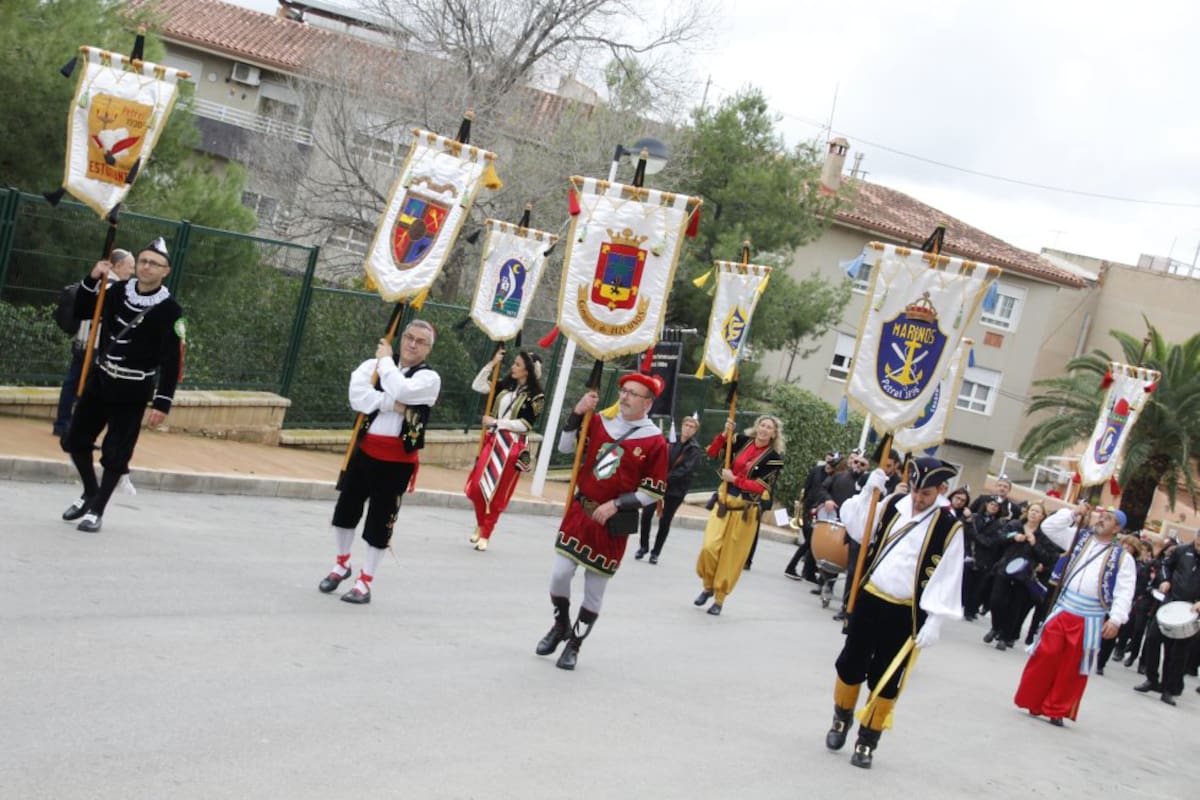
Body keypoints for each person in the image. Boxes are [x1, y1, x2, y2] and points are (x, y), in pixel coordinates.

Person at [823, 457, 963, 770]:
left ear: (941, 490)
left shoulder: (949, 527)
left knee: (886, 677)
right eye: (915, 490)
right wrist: (867, 493)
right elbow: (859, 530)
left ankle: (868, 739)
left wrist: (936, 620)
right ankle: (841, 718)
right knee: (850, 663)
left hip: (906, 611)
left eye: (926, 493)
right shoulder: (892, 504)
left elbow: (948, 576)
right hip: (871, 597)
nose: (918, 498)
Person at [534, 373, 668, 671]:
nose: (624, 397)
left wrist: (616, 504)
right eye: (624, 391)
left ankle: (575, 644)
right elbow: (566, 447)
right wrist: (577, 413)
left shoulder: (655, 441)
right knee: (559, 575)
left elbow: (653, 491)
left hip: (611, 524)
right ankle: (560, 625)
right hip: (581, 511)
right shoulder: (600, 421)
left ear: (647, 403)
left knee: (594, 590)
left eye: (633, 393)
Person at [60, 239, 184, 533]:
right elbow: (83, 309)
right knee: (74, 440)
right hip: (101, 380)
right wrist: (93, 279)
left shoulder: (171, 310)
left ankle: (97, 510)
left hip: (133, 389)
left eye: (154, 263)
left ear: (165, 271)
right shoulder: (117, 291)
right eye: (143, 261)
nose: (146, 267)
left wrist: (162, 402)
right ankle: (90, 491)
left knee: (116, 453)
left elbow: (172, 361)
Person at [317, 321, 440, 604]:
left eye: (420, 341)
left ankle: (365, 582)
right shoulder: (373, 366)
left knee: (380, 522)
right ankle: (341, 564)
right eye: (408, 337)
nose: (412, 344)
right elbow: (357, 397)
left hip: (397, 460)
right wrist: (391, 403)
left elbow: (404, 391)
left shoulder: (429, 378)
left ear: (428, 349)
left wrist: (385, 366)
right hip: (365, 450)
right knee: (345, 511)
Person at [1013, 505, 1134, 726]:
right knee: (1045, 655)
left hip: (1091, 617)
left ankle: (1057, 710)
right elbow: (1049, 527)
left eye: (1107, 519)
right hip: (1064, 607)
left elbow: (1125, 592)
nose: (1100, 520)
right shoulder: (1079, 537)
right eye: (1101, 516)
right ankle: (1033, 701)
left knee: (1072, 667)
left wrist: (1116, 619)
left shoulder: (1123, 558)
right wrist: (1072, 514)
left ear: (1117, 529)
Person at [693, 415, 785, 615]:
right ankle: (708, 586)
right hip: (723, 505)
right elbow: (712, 452)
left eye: (769, 427)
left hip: (744, 512)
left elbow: (760, 487)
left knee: (731, 557)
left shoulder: (774, 460)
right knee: (709, 547)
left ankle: (719, 598)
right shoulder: (740, 441)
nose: (764, 429)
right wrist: (724, 434)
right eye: (762, 425)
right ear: (756, 426)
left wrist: (734, 479)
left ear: (774, 434)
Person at [463, 348, 544, 551]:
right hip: (493, 442)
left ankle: (486, 534)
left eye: (517, 364)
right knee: (477, 487)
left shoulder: (536, 396)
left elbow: (526, 424)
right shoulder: (506, 385)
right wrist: (492, 364)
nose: (513, 367)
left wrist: (497, 422)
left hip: (513, 446)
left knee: (499, 492)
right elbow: (478, 385)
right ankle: (481, 523)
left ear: (527, 370)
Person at [54, 248, 135, 437]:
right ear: (118, 265)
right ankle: (74, 428)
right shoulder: (111, 287)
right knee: (89, 389)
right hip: (96, 345)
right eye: (130, 267)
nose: (132, 272)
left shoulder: (98, 281)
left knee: (73, 382)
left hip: (83, 340)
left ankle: (63, 423)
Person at [1133, 531, 1200, 704]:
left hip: (1191, 610)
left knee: (1178, 652)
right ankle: (1151, 678)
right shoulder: (1182, 550)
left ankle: (1168, 689)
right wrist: (1165, 580)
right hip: (1170, 603)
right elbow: (1165, 565)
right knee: (1153, 638)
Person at [635, 413, 703, 564]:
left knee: (665, 520)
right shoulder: (669, 439)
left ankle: (655, 553)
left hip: (675, 490)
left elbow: (685, 470)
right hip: (657, 485)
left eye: (692, 427)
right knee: (646, 514)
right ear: (682, 426)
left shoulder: (694, 449)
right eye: (686, 425)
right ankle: (643, 547)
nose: (688, 428)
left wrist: (665, 478)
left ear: (695, 431)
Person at [784, 451, 839, 582]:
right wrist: (803, 507)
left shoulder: (833, 476)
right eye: (828, 462)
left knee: (811, 543)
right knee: (809, 542)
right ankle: (792, 568)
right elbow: (807, 488)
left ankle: (807, 572)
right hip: (811, 509)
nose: (829, 465)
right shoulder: (817, 471)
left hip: (819, 511)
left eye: (832, 464)